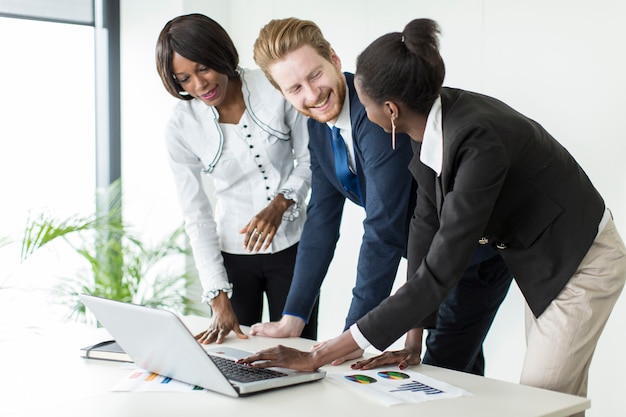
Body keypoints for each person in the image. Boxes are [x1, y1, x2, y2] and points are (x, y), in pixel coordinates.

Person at [239, 18, 626, 413]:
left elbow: (435, 266)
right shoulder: (428, 126)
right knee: (545, 396)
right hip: (535, 255)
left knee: (541, 401)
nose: (357, 111)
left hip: (580, 258)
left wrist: (323, 354)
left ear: (389, 110)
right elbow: (422, 229)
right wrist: (412, 342)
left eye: (364, 102)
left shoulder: (476, 143)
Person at [248, 17, 513, 374]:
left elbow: (383, 231)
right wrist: (293, 317)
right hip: (423, 258)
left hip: (468, 257)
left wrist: (345, 341)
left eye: (314, 75)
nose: (312, 95)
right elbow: (322, 220)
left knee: (441, 370)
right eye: (294, 88)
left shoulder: (374, 113)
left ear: (335, 59)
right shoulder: (317, 125)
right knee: (458, 372)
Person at [155, 13, 317, 343]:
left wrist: (282, 201)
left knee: (297, 353)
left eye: (203, 67)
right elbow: (196, 214)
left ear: (221, 53)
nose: (199, 85)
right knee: (237, 357)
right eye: (183, 78)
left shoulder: (274, 85)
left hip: (295, 248)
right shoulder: (181, 126)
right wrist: (217, 296)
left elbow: (311, 159)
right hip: (232, 257)